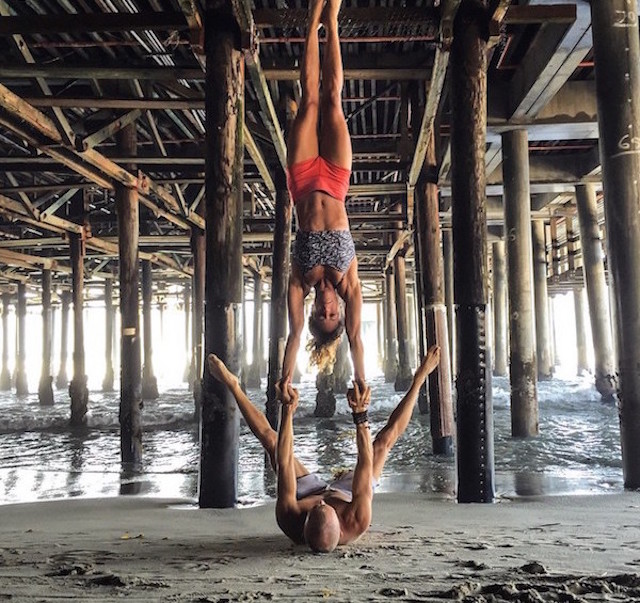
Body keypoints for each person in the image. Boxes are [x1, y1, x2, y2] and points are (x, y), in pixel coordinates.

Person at [207, 345, 441, 553]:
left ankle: (232, 385)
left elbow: (285, 461)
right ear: (340, 529)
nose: (322, 501)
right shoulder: (357, 519)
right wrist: (360, 415)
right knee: (383, 442)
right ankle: (420, 378)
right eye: (326, 508)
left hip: (304, 493)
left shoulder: (289, 517)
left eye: (317, 508)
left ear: (305, 524)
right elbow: (364, 463)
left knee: (272, 443)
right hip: (349, 495)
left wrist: (288, 411)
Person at [282, 0, 364, 387]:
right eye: (334, 316)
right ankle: (332, 20)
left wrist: (284, 383)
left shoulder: (301, 281)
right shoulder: (349, 283)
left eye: (322, 316)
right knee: (332, 98)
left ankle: (314, 18)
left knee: (309, 98)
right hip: (334, 178)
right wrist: (361, 383)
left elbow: (294, 337)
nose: (329, 310)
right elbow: (357, 338)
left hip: (301, 180)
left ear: (314, 312)